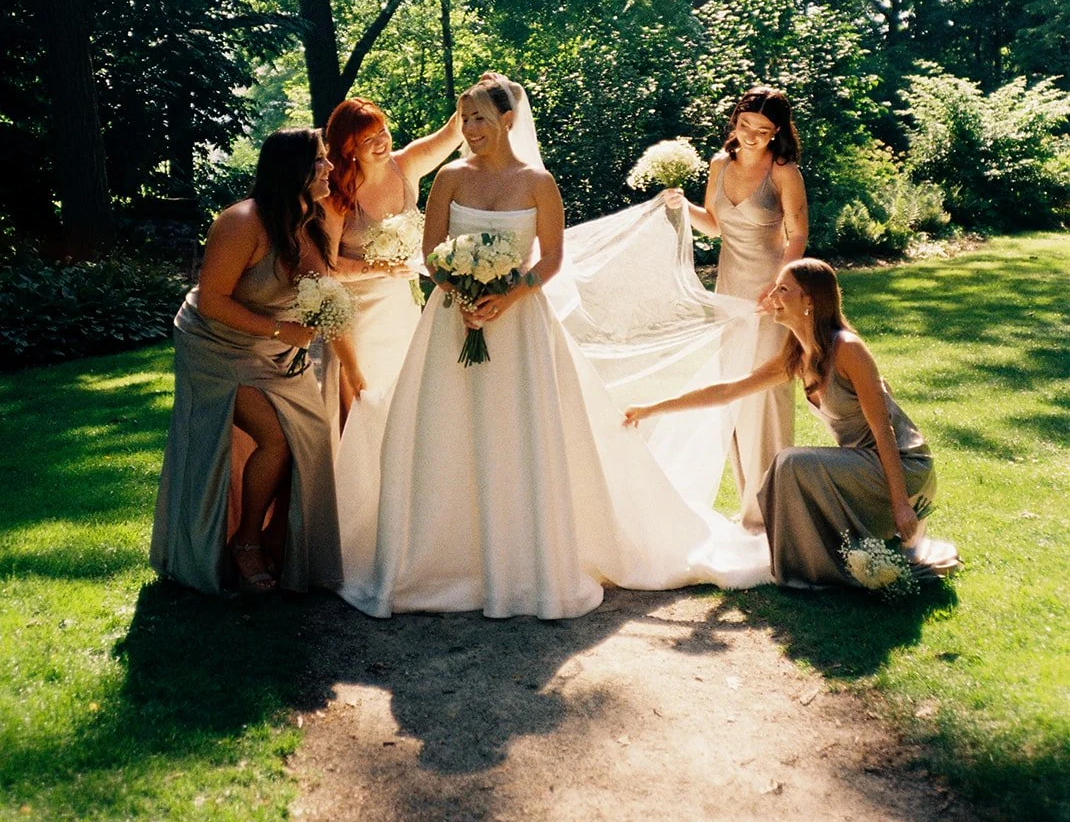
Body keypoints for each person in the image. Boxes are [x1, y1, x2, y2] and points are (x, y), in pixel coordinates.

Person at [338, 77, 773, 620]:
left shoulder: (538, 183)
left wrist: (505, 296)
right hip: (452, 322)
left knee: (518, 430)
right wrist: (463, 289)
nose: (471, 129)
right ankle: (437, 556)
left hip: (521, 325)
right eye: (465, 119)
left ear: (508, 120)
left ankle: (526, 556)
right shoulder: (448, 179)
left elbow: (550, 260)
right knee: (446, 428)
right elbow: (432, 253)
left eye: (480, 118)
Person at [624, 258, 960, 590]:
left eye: (783, 289)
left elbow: (882, 429)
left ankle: (816, 567)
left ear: (809, 300)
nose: (773, 295)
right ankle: (811, 561)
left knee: (791, 462)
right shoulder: (799, 356)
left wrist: (901, 504)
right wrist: (652, 409)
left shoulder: (848, 350)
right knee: (790, 466)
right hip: (860, 468)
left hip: (904, 468)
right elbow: (728, 391)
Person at [150, 129, 342, 596]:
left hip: (272, 349)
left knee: (311, 435)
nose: (331, 168)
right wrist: (283, 331)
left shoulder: (310, 220)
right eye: (320, 160)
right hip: (215, 347)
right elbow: (213, 301)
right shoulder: (241, 222)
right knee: (275, 439)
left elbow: (321, 287)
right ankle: (246, 542)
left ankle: (284, 538)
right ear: (292, 169)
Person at [665, 87, 808, 534]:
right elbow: (714, 223)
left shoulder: (784, 173)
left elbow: (799, 235)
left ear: (777, 133)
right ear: (735, 120)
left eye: (763, 131)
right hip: (729, 294)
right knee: (733, 396)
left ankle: (774, 507)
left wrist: (780, 286)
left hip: (771, 295)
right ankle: (751, 510)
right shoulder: (719, 165)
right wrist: (682, 207)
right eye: (745, 125)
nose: (751, 136)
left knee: (765, 396)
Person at [320, 96, 461, 430]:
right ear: (347, 148)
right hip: (358, 317)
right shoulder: (337, 191)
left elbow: (454, 133)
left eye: (381, 131)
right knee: (367, 405)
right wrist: (378, 269)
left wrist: (471, 99)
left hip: (405, 310)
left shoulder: (406, 164)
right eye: (367, 139)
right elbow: (325, 266)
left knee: (407, 402)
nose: (380, 142)